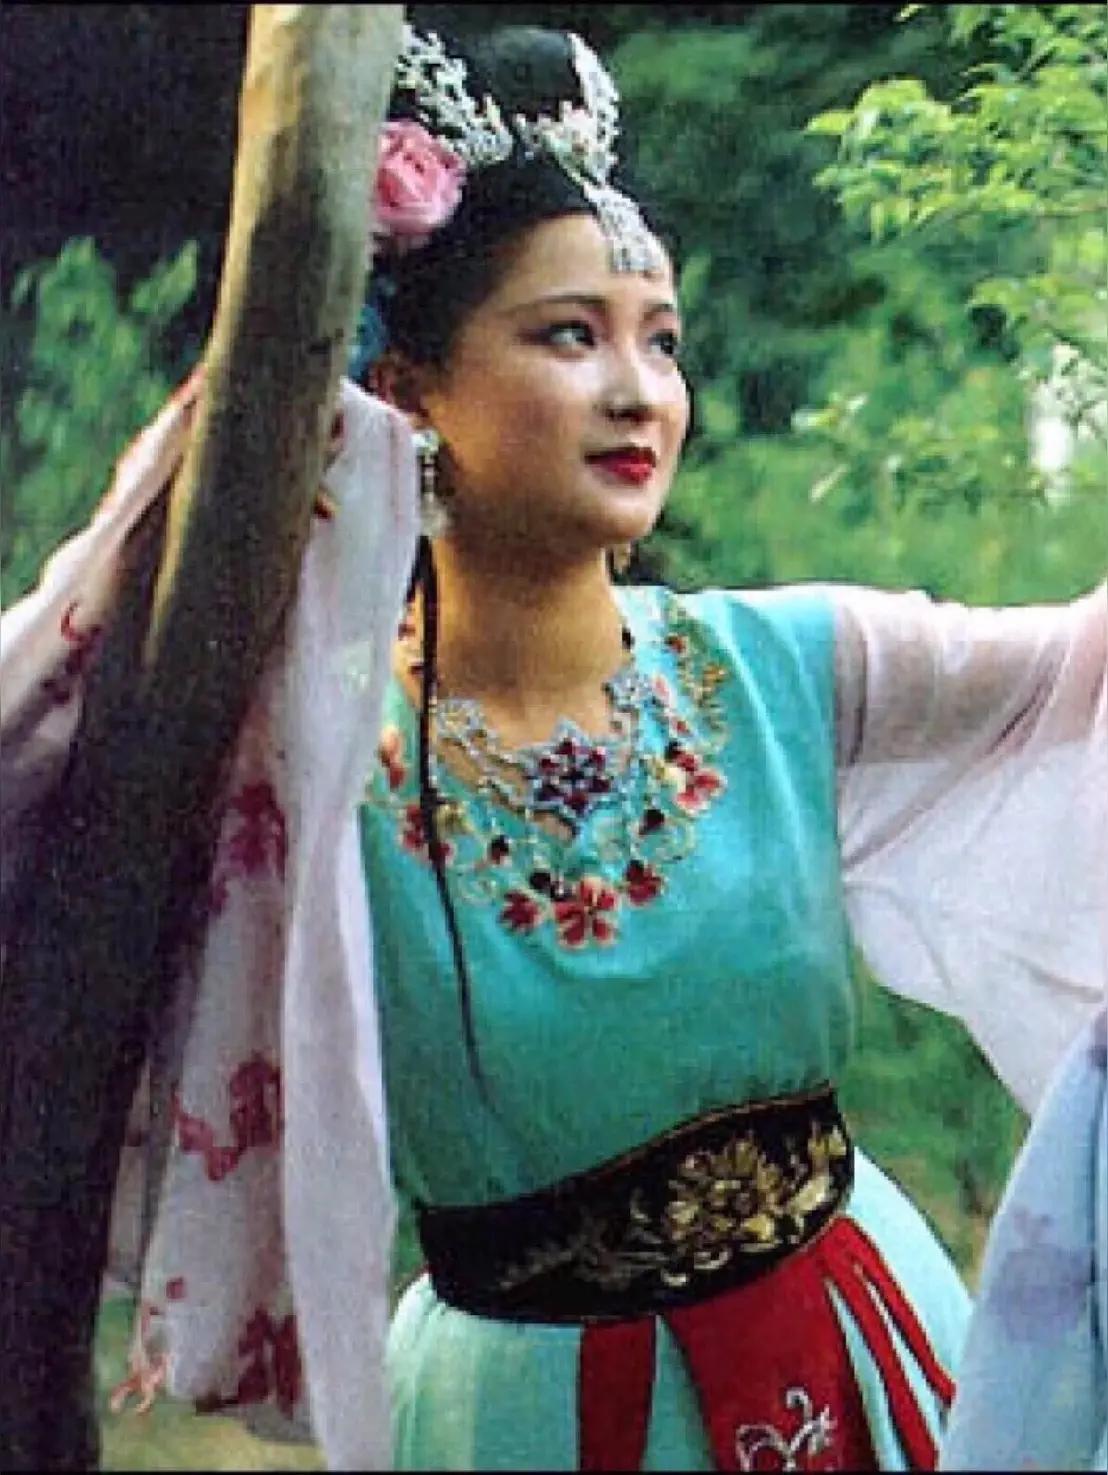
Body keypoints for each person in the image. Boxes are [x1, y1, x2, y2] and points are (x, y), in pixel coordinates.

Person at [0, 22, 1104, 1473]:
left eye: (662, 339)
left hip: (860, 1336)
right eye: (570, 335)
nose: (638, 389)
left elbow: (1081, 670)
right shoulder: (315, 765)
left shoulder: (785, 666)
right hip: (520, 1405)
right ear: (409, 390)